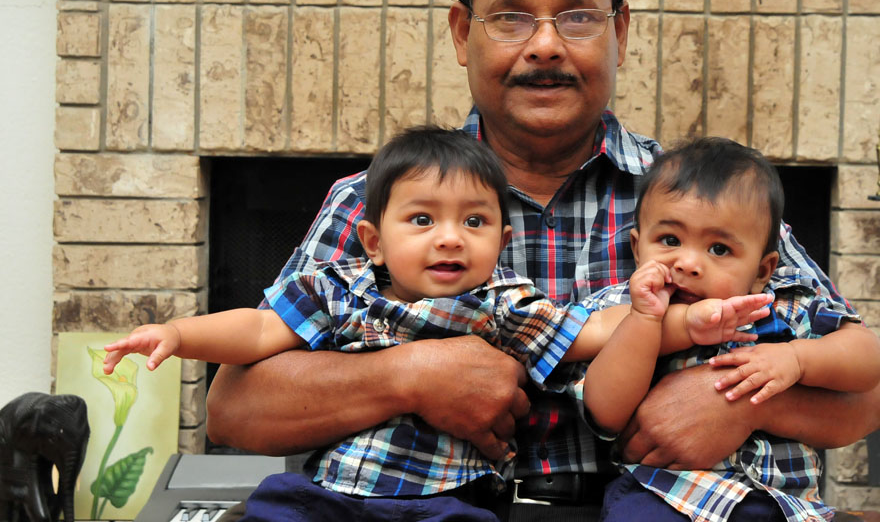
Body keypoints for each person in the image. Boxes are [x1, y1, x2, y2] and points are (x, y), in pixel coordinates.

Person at [205, 0, 880, 520]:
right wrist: (409, 374)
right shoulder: (377, 203)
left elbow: (877, 398)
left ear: (619, 33)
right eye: (511, 17)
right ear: (462, 33)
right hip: (420, 508)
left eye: (577, 17)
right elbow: (234, 410)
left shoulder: (701, 206)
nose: (544, 45)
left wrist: (738, 401)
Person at [105, 127, 772, 520]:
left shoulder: (507, 302)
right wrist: (179, 335)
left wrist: (691, 319)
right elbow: (253, 343)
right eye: (423, 221)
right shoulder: (343, 284)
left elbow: (595, 331)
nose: (449, 238)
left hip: (459, 501)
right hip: (332, 493)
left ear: (500, 241)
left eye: (473, 222)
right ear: (373, 240)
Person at [577, 137, 880, 521]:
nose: (688, 263)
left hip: (781, 504)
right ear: (637, 248)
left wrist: (798, 358)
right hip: (665, 497)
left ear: (762, 270)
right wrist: (644, 322)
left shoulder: (784, 305)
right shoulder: (624, 308)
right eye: (670, 240)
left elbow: (871, 361)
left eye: (719, 249)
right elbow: (604, 412)